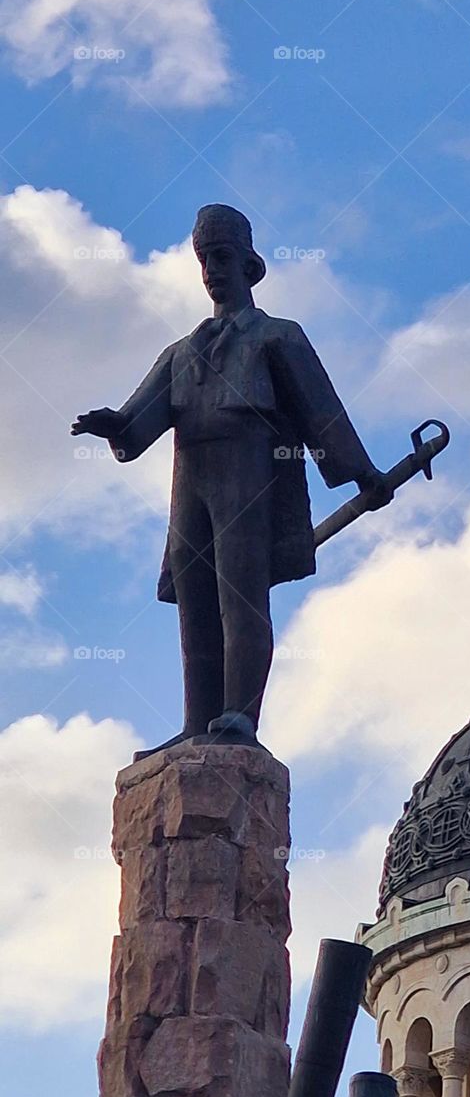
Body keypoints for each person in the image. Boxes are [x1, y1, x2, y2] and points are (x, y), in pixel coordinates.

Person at [71, 203, 391, 758]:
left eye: (220, 257)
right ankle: (198, 721)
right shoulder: (181, 353)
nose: (211, 271)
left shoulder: (276, 337)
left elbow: (321, 411)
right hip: (190, 474)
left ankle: (239, 715)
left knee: (239, 595)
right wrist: (114, 428)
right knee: (196, 601)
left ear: (249, 264)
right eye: (203, 260)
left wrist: (363, 473)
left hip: (248, 471)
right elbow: (138, 426)